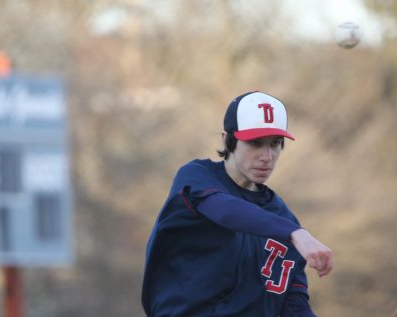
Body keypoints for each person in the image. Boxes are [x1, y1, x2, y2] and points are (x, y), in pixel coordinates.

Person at [141, 91, 333, 317]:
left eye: (275, 144)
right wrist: (296, 233)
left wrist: (293, 231)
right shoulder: (197, 177)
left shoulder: (283, 219)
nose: (267, 156)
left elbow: (294, 305)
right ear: (227, 139)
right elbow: (224, 210)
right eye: (255, 142)